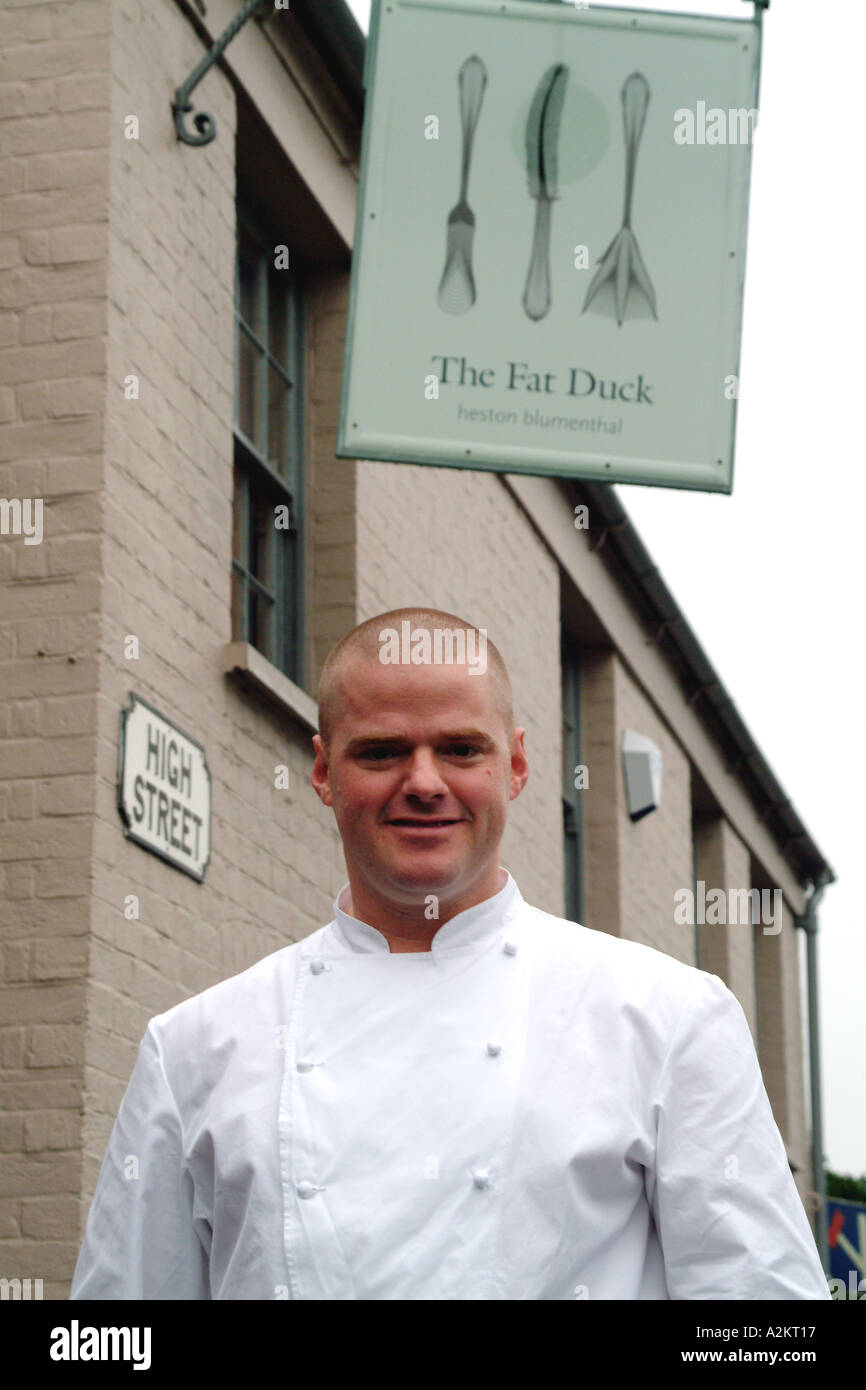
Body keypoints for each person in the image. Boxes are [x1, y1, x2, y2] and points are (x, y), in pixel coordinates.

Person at [69, 607, 830, 1300]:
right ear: (325, 772)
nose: (424, 782)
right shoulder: (194, 1048)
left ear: (517, 765)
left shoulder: (668, 1020)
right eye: (382, 752)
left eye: (462, 749)